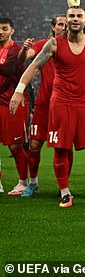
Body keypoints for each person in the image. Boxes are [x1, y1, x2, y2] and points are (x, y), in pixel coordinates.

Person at [9, 6, 85, 208]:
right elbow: (34, 66)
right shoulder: (54, 44)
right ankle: (65, 193)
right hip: (61, 103)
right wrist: (19, 90)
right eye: (71, 16)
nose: (74, 19)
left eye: (79, 16)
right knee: (61, 149)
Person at [18, 15, 67, 197]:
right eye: (60, 24)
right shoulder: (42, 45)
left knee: (63, 147)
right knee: (34, 144)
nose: (63, 27)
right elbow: (26, 57)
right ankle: (33, 182)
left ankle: (64, 186)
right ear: (53, 27)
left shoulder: (72, 47)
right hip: (44, 104)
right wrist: (24, 50)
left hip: (63, 105)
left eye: (66, 24)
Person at [0, 17, 30, 196]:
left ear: (12, 31)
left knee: (15, 146)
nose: (1, 32)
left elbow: (9, 70)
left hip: (12, 102)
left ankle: (23, 182)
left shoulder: (16, 51)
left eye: (4, 28)